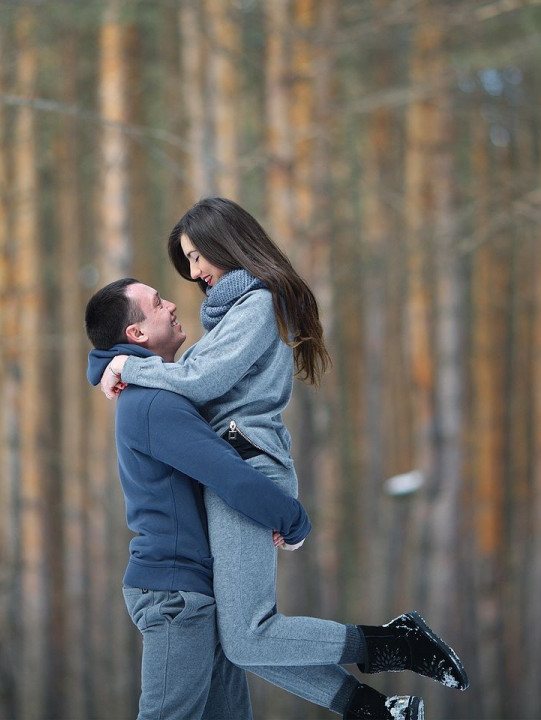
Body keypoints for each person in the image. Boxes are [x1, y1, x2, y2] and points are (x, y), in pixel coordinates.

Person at [95, 198, 468, 719]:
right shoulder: (230, 317)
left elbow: (201, 383)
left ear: (228, 243)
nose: (194, 273)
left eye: (198, 257)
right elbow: (195, 383)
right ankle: (373, 709)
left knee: (248, 636)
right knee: (241, 636)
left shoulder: (257, 304)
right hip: (238, 468)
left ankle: (393, 644)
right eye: (189, 262)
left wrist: (124, 368)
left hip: (247, 467)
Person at [84, 277, 318, 720]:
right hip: (175, 596)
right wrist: (292, 519)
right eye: (156, 303)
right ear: (136, 334)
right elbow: (230, 475)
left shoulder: (158, 392)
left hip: (195, 592)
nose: (171, 304)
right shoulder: (154, 402)